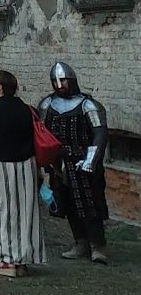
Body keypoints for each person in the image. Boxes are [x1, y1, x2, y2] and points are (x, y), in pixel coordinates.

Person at [0, 69, 44, 277]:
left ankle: (4, 260)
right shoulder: (28, 110)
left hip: (0, 166)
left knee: (0, 211)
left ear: (0, 87)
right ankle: (22, 259)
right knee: (25, 212)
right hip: (26, 166)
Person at [39, 61, 110, 265]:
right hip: (59, 164)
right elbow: (41, 133)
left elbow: (100, 135)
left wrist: (90, 160)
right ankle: (80, 243)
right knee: (68, 204)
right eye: (55, 81)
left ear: (72, 80)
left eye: (63, 80)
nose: (59, 85)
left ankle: (97, 246)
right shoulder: (47, 104)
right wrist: (46, 159)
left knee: (90, 205)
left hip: (83, 162)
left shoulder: (89, 105)